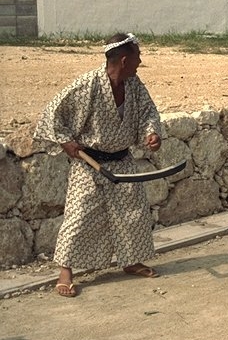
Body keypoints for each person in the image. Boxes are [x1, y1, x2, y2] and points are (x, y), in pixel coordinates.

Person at [33, 33, 163, 298]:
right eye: (138, 56)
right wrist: (66, 141)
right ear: (124, 60)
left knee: (132, 214)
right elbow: (52, 113)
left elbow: (148, 112)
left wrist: (152, 133)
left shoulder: (134, 84)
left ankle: (131, 261)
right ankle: (65, 272)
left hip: (122, 162)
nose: (140, 61)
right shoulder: (88, 84)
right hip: (89, 164)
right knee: (79, 216)